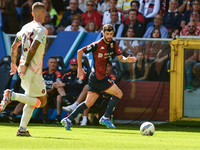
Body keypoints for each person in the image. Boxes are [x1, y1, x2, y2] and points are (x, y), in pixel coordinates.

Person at [60, 24, 137, 131]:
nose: (109, 36)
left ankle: (68, 119)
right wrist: (80, 68)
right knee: (119, 93)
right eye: (107, 34)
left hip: (96, 78)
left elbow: (120, 58)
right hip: (98, 77)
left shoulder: (113, 43)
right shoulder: (97, 44)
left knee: (88, 103)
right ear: (103, 33)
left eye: (111, 34)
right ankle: (105, 117)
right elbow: (80, 52)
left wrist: (126, 59)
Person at [0, 2, 47, 136]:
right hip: (33, 69)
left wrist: (13, 64)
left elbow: (15, 46)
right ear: (44, 13)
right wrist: (26, 65)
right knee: (42, 101)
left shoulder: (25, 27)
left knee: (31, 98)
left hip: (22, 67)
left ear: (32, 14)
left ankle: (22, 129)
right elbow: (33, 48)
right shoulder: (42, 29)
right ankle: (12, 95)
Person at [5, 57, 62, 124]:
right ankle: (13, 116)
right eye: (51, 62)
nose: (53, 64)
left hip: (49, 93)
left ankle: (45, 118)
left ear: (57, 64)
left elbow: (54, 89)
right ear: (48, 64)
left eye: (54, 63)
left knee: (44, 96)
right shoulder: (43, 72)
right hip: (38, 91)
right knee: (26, 98)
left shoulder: (58, 74)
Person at [62, 61, 116, 126]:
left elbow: (109, 89)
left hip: (104, 96)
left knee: (87, 88)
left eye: (108, 66)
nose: (106, 68)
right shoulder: (98, 76)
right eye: (104, 66)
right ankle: (84, 119)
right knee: (88, 93)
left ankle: (76, 106)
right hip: (95, 94)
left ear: (111, 68)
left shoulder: (112, 77)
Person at [52, 58, 88, 124]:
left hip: (79, 94)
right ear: (70, 65)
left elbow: (78, 85)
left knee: (87, 95)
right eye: (72, 65)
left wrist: (65, 84)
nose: (74, 67)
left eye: (76, 65)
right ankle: (57, 118)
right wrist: (56, 84)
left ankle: (83, 118)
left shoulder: (82, 73)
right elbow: (61, 83)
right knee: (58, 95)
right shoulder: (66, 74)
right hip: (68, 94)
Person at [184, 21, 200, 91]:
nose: (191, 28)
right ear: (187, 28)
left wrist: (185, 61)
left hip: (195, 61)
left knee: (190, 64)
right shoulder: (183, 39)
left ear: (196, 28)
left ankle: (189, 84)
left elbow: (196, 56)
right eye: (189, 26)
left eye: (193, 26)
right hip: (187, 61)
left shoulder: (198, 39)